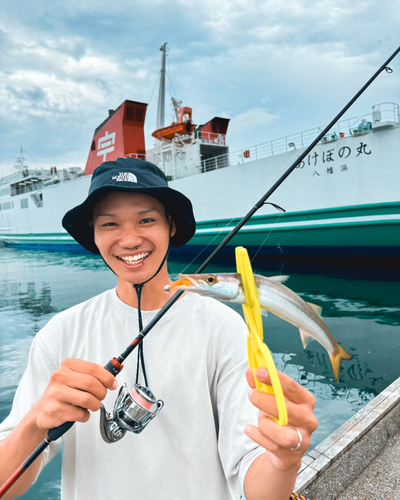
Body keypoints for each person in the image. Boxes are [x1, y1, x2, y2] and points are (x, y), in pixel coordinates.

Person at [0, 158, 317, 500]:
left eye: (147, 220)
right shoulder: (60, 333)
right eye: (110, 224)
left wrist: (285, 459)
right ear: (93, 232)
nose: (130, 239)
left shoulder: (221, 326)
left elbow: (257, 486)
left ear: (171, 226)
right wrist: (35, 423)